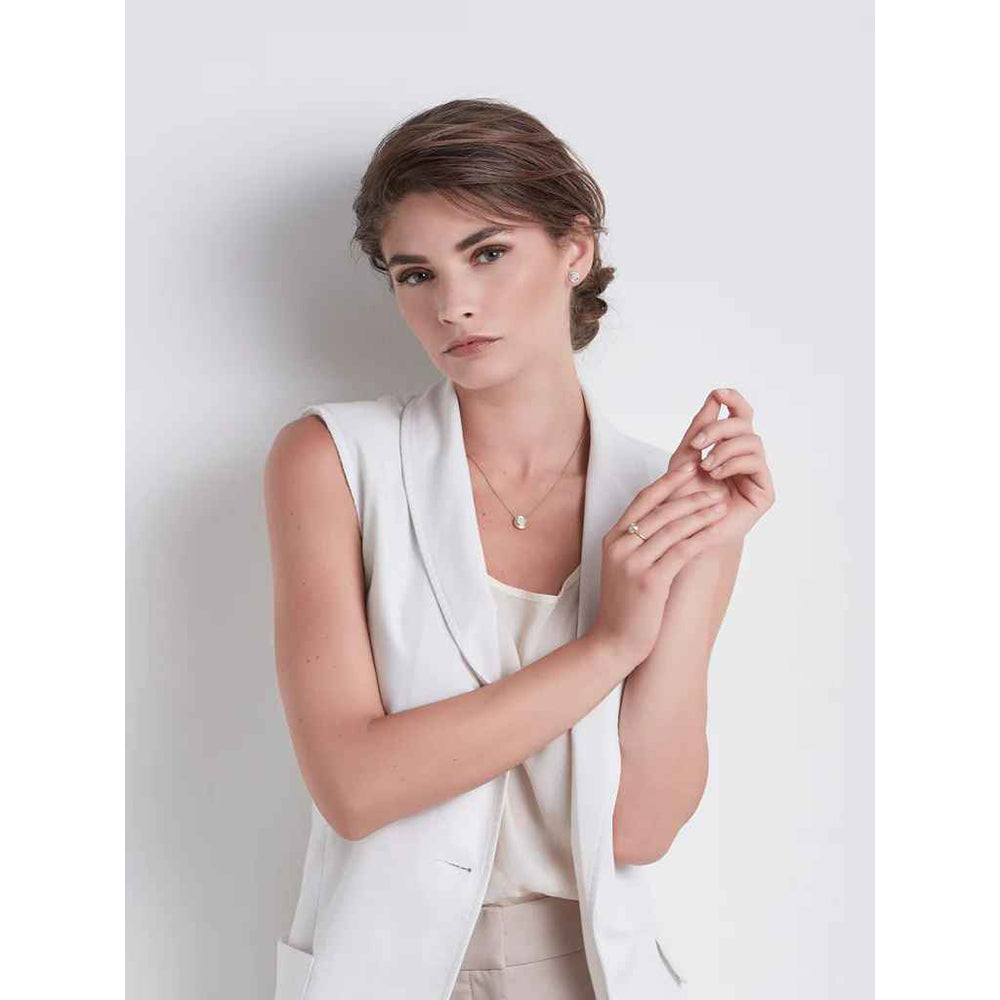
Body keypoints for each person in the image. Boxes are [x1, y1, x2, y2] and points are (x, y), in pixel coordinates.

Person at [264, 97, 775, 1000]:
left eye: (488, 253)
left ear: (575, 249)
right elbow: (355, 786)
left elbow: (639, 831)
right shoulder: (334, 460)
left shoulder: (665, 500)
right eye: (414, 274)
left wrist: (698, 561)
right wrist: (609, 645)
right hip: (386, 971)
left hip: (586, 971)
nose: (453, 304)